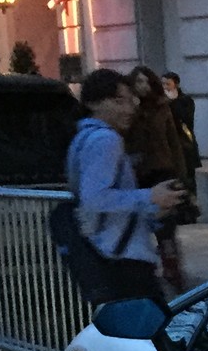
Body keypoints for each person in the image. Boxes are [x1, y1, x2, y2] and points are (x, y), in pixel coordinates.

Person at [69, 68, 179, 303]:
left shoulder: (83, 138)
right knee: (150, 333)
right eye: (119, 101)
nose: (129, 109)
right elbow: (96, 198)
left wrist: (153, 209)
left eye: (131, 101)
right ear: (93, 103)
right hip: (123, 258)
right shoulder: (105, 140)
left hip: (109, 254)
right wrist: (150, 196)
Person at [126, 66, 190, 290]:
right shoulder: (128, 111)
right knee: (141, 226)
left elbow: (174, 142)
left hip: (162, 170)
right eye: (138, 82)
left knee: (166, 229)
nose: (142, 86)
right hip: (139, 174)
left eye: (146, 82)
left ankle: (172, 270)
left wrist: (181, 176)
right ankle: (145, 271)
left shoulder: (162, 108)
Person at [161, 71, 202, 217]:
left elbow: (187, 119)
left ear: (176, 84)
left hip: (185, 144)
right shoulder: (160, 102)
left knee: (189, 177)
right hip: (169, 146)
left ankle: (190, 210)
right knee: (173, 177)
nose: (165, 86)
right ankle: (176, 210)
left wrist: (172, 102)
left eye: (168, 83)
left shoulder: (185, 100)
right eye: (163, 83)